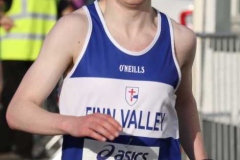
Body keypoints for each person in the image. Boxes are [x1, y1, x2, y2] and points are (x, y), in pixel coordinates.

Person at [6, 0, 207, 159]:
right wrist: (72, 123)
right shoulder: (75, 29)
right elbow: (18, 111)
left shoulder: (180, 39)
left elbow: (183, 103)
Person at [0, 0, 58, 158]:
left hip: (38, 53)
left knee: (24, 102)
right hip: (18, 51)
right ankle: (15, 148)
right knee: (16, 102)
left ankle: (16, 148)